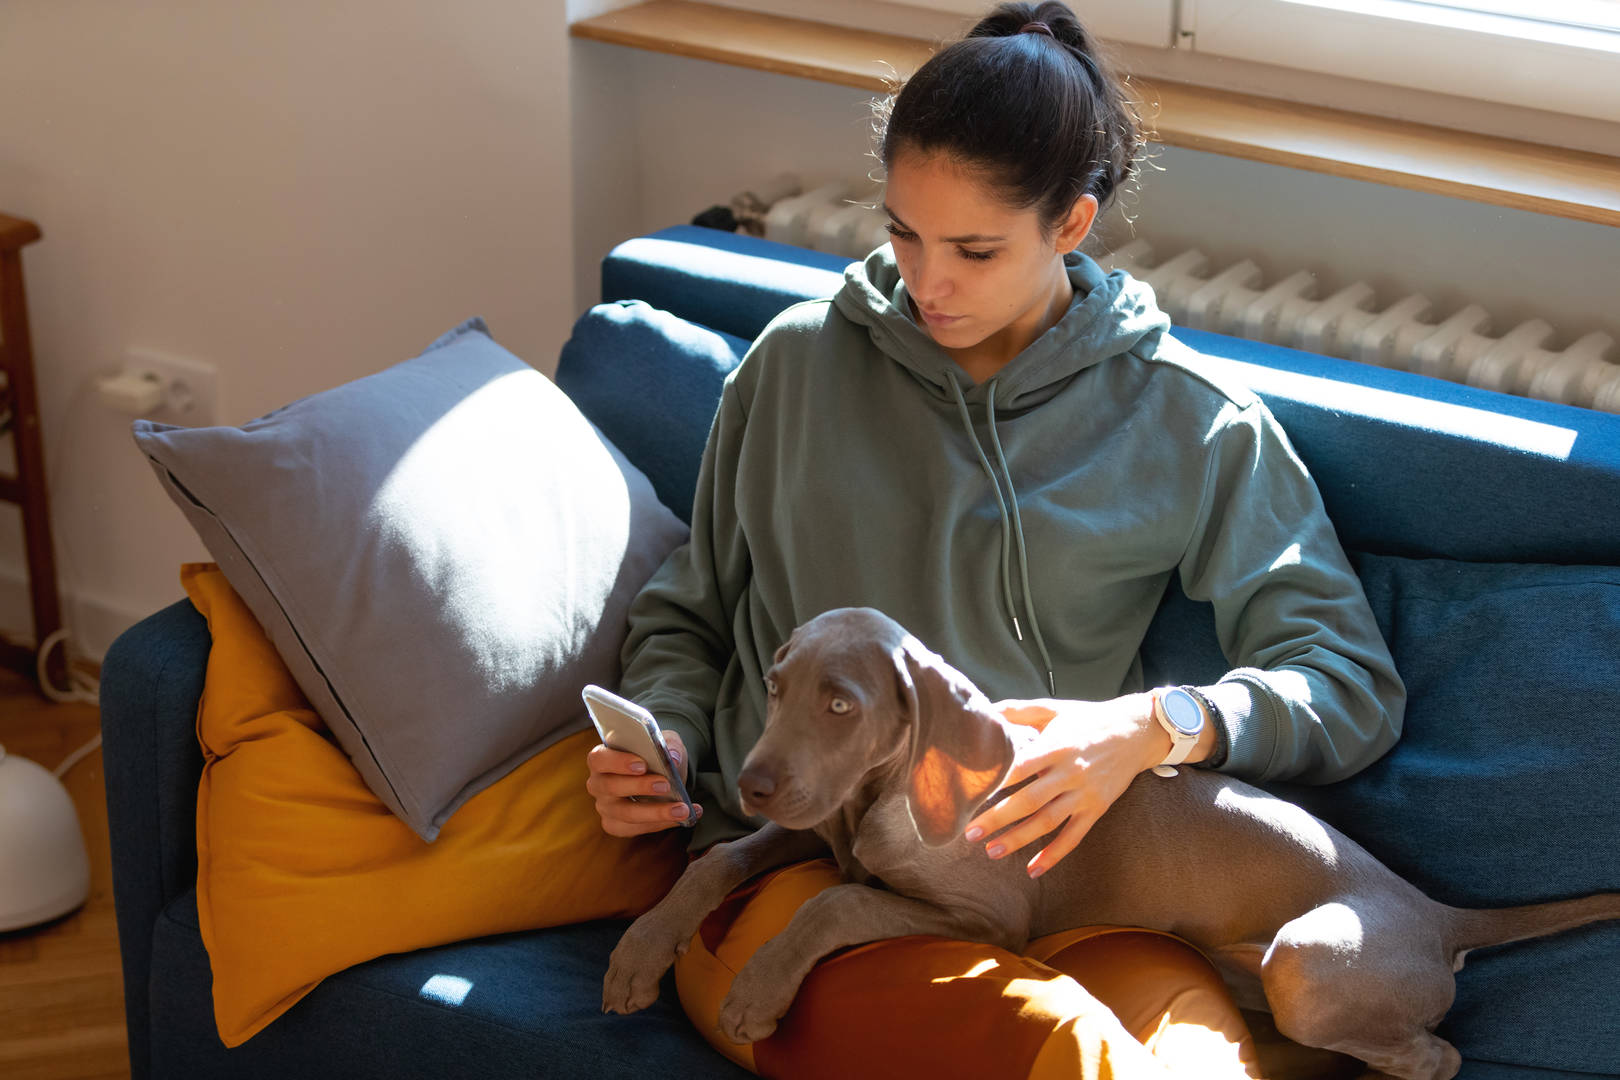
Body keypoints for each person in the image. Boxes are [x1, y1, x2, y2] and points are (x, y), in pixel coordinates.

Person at [587, 2, 1406, 1076]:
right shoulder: (793, 370)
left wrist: (1158, 727)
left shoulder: (1187, 420)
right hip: (809, 883)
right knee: (1050, 1058)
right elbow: (689, 610)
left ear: (1070, 224)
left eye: (974, 248)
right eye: (903, 233)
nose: (928, 282)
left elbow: (1348, 685)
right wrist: (668, 743)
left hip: (1074, 898)